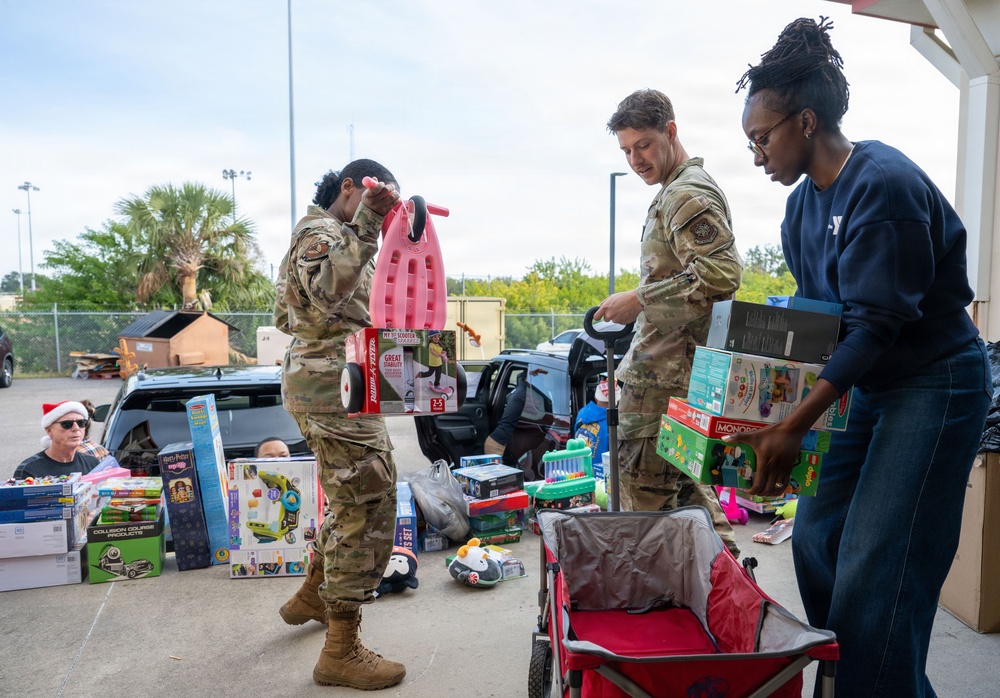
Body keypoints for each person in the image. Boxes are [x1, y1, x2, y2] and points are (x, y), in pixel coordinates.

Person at [731, 18, 991, 697]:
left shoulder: (883, 185)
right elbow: (820, 323)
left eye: (762, 137)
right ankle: (869, 678)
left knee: (882, 561)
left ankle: (872, 684)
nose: (757, 154)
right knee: (816, 537)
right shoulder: (799, 211)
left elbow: (875, 327)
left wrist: (793, 428)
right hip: (865, 385)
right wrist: (756, 401)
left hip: (934, 383)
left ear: (807, 121)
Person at [273, 159, 405, 690]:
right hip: (332, 386)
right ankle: (340, 650)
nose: (380, 211)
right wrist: (370, 224)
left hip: (344, 380)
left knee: (352, 496)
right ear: (350, 187)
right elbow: (326, 293)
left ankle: (313, 593)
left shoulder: (337, 238)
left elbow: (319, 310)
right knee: (368, 504)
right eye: (375, 197)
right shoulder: (322, 231)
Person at [594, 88, 744, 557]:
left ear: (670, 132)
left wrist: (639, 300)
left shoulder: (685, 193)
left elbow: (721, 275)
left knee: (649, 516)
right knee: (691, 504)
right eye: (625, 150)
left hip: (665, 385)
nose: (635, 159)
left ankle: (699, 609)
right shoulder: (674, 190)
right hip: (671, 380)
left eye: (642, 145)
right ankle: (736, 599)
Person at [14, 401, 99, 479]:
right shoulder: (29, 471)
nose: (76, 428)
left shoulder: (93, 464)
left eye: (81, 423)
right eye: (67, 424)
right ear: (49, 430)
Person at [573, 378, 615, 461]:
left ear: (596, 397)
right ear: (617, 400)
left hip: (580, 469)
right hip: (601, 471)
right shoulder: (614, 423)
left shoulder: (582, 412)